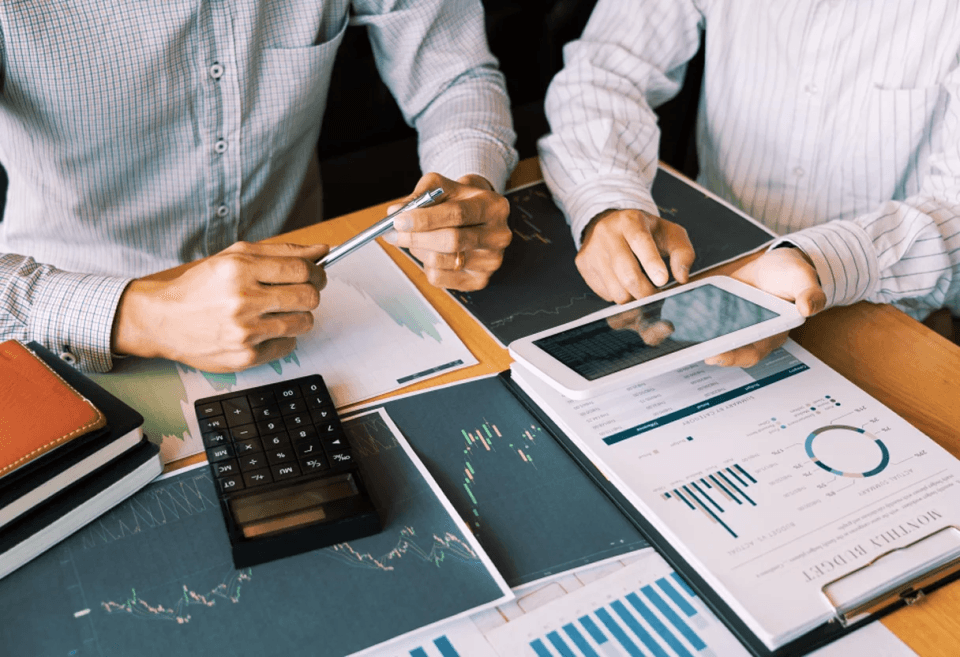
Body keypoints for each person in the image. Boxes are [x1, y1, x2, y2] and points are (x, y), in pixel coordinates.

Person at [0, 0, 518, 374]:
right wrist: (138, 317)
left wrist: (468, 181)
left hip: (319, 301)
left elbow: (456, 76)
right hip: (64, 327)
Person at [538, 0, 960, 366]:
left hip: (887, 308)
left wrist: (814, 261)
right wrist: (608, 197)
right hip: (706, 276)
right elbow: (604, 73)